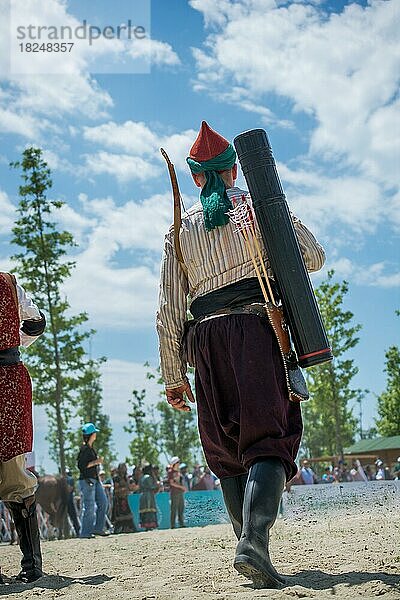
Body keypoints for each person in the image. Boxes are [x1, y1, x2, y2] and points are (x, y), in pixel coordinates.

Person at [156, 122, 326, 588]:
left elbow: (169, 308)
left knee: (227, 449)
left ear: (195, 178)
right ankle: (252, 541)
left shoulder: (178, 231)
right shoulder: (257, 209)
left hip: (204, 342)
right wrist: (276, 211)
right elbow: (312, 257)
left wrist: (174, 374)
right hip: (255, 330)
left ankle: (248, 544)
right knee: (269, 438)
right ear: (233, 169)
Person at [0, 272, 46, 583]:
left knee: (16, 473)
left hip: (9, 381)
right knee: (15, 474)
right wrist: (17, 344)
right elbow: (36, 322)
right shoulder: (8, 283)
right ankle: (32, 566)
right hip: (9, 378)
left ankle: (31, 565)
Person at [77, 423, 109, 538]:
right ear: (91, 435)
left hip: (94, 480)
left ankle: (98, 528)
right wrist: (97, 462)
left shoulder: (90, 449)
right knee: (89, 506)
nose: (96, 434)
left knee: (103, 502)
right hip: (87, 480)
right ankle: (85, 533)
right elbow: (81, 465)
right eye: (95, 433)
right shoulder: (85, 449)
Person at [111, 463, 137, 533]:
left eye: (125, 467)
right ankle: (119, 529)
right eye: (122, 467)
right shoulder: (116, 478)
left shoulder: (126, 478)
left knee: (128, 515)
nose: (124, 469)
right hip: (118, 500)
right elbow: (116, 490)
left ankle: (127, 528)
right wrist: (125, 489)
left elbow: (131, 488)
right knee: (119, 515)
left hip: (125, 499)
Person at [139, 465, 159, 530]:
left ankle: (146, 525)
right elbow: (152, 487)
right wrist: (157, 483)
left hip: (143, 495)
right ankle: (150, 525)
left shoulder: (142, 477)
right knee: (149, 510)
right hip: (148, 496)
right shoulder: (148, 477)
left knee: (145, 511)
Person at [167, 457, 186, 528]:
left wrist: (182, 487)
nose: (179, 464)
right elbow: (171, 483)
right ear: (174, 463)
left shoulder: (178, 472)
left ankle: (181, 523)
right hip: (174, 493)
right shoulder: (170, 472)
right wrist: (181, 487)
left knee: (181, 508)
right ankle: (172, 525)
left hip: (180, 492)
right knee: (174, 509)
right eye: (178, 462)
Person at [64, 468, 80, 537]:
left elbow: (69, 489)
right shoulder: (70, 479)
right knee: (73, 517)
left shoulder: (68, 479)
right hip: (69, 500)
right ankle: (77, 532)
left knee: (73, 517)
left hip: (65, 501)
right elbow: (70, 489)